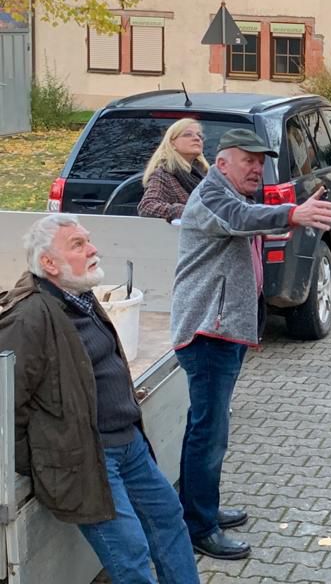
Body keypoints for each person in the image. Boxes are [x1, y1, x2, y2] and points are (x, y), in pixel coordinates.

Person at [0, 214, 200, 584]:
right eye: (78, 245)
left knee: (169, 520)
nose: (93, 249)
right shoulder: (28, 316)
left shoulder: (80, 295)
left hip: (130, 443)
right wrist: (47, 460)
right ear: (49, 263)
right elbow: (6, 407)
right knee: (131, 556)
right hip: (89, 459)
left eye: (88, 240)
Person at [171, 128, 331, 560]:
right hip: (208, 333)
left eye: (261, 161)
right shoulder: (213, 196)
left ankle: (199, 508)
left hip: (224, 330)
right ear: (222, 163)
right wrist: (294, 214)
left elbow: (248, 216)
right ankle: (199, 527)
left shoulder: (230, 194)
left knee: (206, 428)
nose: (257, 168)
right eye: (248, 160)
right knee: (210, 434)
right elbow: (242, 219)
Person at [138, 117, 209, 221]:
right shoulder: (163, 174)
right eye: (188, 134)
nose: (197, 138)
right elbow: (147, 206)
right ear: (172, 143)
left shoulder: (205, 174)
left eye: (200, 135)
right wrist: (188, 211)